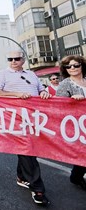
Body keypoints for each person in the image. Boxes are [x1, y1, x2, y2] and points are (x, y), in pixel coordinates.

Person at [0, 50, 50, 206]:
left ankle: (21, 176)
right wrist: (17, 94)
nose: (13, 61)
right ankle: (38, 189)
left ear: (23, 60)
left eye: (16, 58)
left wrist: (44, 92)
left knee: (27, 149)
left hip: (34, 118)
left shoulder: (31, 74)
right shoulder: (3, 74)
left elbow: (40, 88)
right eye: (10, 58)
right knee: (27, 150)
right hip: (14, 119)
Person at [55, 55, 86, 191]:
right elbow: (58, 107)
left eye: (75, 65)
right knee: (83, 153)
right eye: (68, 66)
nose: (72, 68)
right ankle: (76, 176)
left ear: (82, 65)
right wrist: (73, 101)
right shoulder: (65, 84)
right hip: (78, 125)